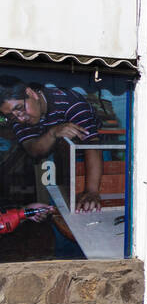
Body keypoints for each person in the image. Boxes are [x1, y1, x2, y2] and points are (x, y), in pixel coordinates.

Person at [0, 77, 104, 212]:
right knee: (58, 206)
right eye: (12, 116)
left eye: (20, 108)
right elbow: (33, 150)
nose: (20, 118)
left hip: (91, 155)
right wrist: (52, 133)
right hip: (56, 156)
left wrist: (92, 191)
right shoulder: (18, 118)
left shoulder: (71, 101)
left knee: (91, 204)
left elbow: (92, 145)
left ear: (31, 93)